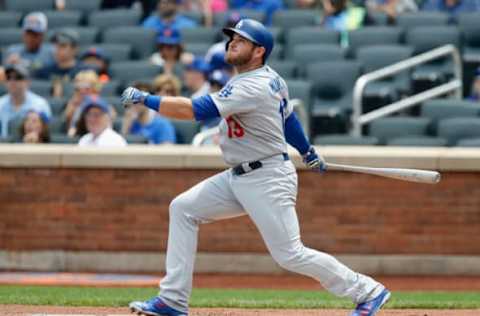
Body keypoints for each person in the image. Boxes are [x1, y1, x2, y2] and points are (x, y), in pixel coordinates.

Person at [121, 18, 390, 316]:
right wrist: (307, 150)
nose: (232, 42)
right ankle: (172, 300)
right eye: (232, 38)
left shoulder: (254, 85)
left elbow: (195, 111)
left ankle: (369, 291)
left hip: (267, 178)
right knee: (183, 208)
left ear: (259, 50)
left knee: (289, 254)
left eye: (241, 39)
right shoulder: (269, 78)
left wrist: (146, 99)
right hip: (240, 175)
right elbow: (287, 119)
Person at [0, 64, 51, 139]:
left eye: (18, 78)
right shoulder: (0, 103)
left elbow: (46, 134)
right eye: (8, 78)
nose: (12, 81)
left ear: (27, 81)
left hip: (32, 147)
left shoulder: (40, 104)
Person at [34, 28, 82, 97]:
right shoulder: (43, 71)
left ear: (75, 49)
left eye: (62, 46)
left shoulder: (85, 72)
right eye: (55, 45)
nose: (57, 49)